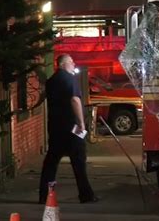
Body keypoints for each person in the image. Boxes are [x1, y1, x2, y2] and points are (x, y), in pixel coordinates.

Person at [39, 54, 98, 204]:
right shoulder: (70, 79)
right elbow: (75, 100)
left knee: (51, 164)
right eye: (72, 62)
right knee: (79, 162)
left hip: (55, 128)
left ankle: (45, 195)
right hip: (72, 128)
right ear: (64, 64)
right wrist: (81, 124)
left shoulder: (51, 81)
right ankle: (86, 195)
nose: (74, 65)